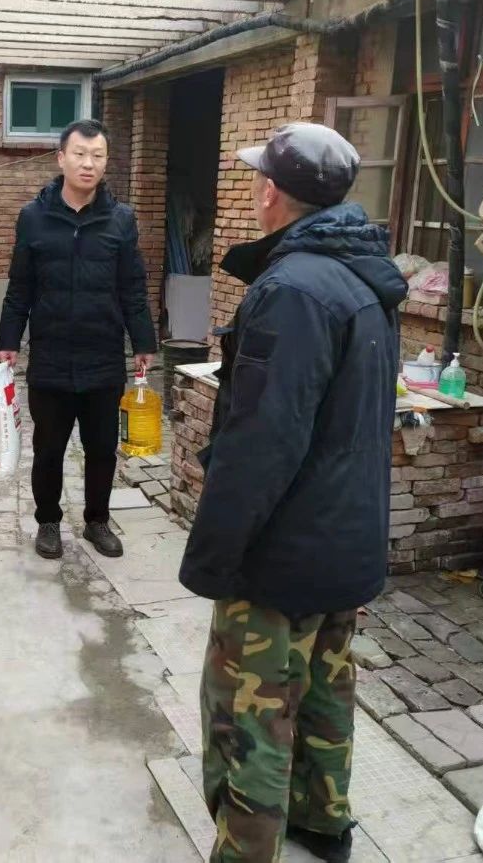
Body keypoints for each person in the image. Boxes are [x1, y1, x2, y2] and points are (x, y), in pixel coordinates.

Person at [177, 123, 406, 863]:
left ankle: (247, 852)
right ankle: (324, 822)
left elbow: (261, 443)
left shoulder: (292, 289)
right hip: (346, 538)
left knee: (250, 716)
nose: (255, 189)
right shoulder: (364, 277)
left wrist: (215, 557)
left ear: (272, 193)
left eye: (258, 179)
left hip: (283, 551)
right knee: (327, 690)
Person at [0, 118, 156, 561]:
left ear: (106, 162)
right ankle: (48, 522)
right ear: (61, 158)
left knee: (102, 448)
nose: (89, 163)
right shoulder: (34, 217)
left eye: (97, 156)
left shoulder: (121, 220)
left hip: (103, 356)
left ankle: (97, 521)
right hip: (50, 356)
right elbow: (20, 286)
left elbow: (133, 287)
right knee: (48, 448)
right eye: (80, 154)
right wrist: (9, 339)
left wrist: (143, 342)